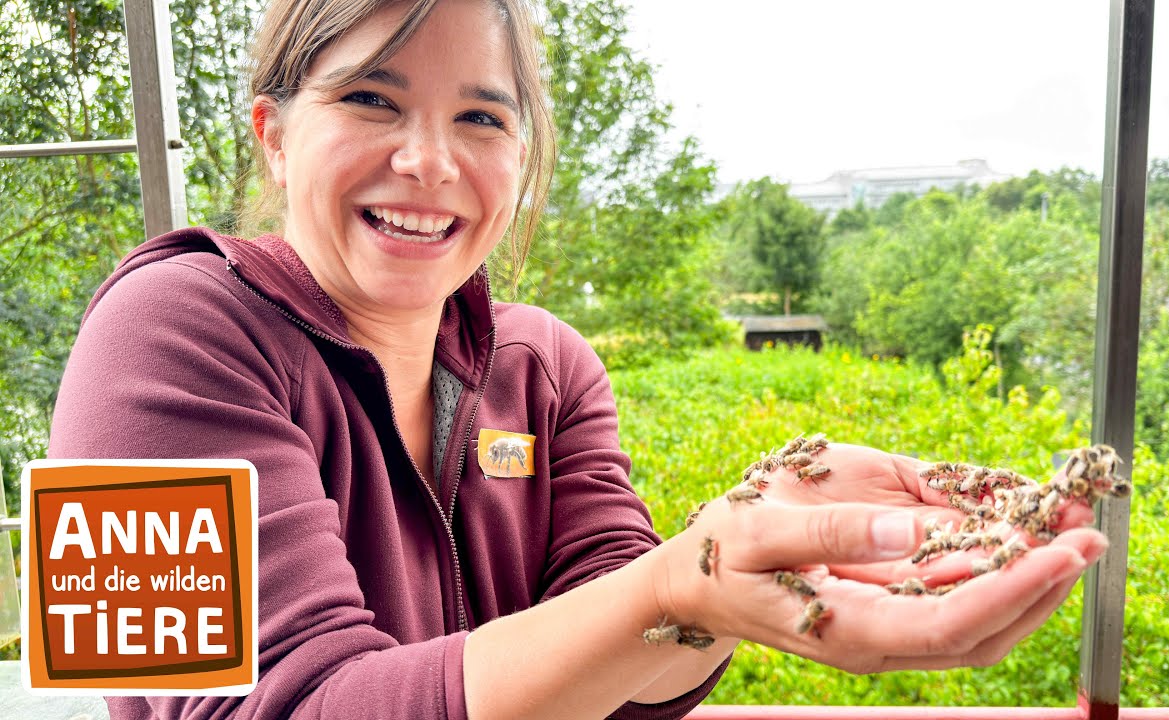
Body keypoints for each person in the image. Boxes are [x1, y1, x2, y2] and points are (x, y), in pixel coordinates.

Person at [48, 0, 1110, 717]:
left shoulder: (545, 366)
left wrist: (744, 548)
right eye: (370, 99)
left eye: (480, 117)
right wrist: (690, 584)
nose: (428, 162)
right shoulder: (153, 336)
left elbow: (629, 677)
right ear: (273, 134)